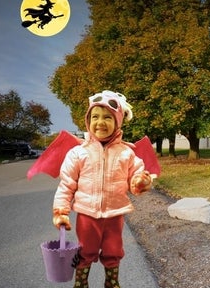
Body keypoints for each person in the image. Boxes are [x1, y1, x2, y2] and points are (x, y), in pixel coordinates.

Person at [52, 90, 155, 288]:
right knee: (85, 250)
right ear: (88, 120)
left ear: (118, 122)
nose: (100, 122)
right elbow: (66, 185)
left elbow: (136, 176)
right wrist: (61, 211)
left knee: (113, 250)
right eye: (95, 116)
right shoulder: (78, 153)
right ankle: (81, 283)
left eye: (108, 117)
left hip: (115, 214)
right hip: (87, 215)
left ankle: (112, 282)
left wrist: (140, 182)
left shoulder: (127, 153)